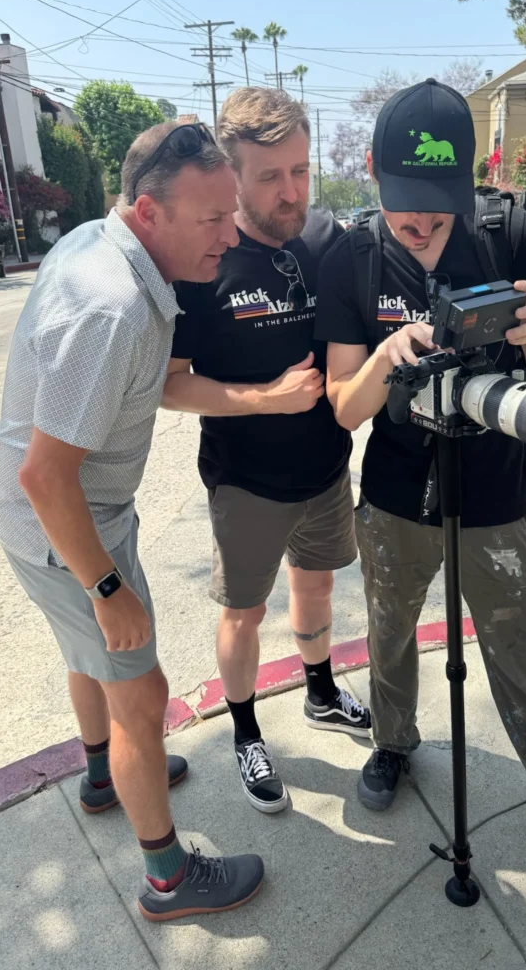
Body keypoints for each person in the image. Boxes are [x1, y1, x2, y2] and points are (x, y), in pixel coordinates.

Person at [315, 79, 526, 885]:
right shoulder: (351, 256)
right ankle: (393, 743)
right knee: (390, 633)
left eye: (439, 202)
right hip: (395, 494)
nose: (422, 222)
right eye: (404, 203)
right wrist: (392, 358)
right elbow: (340, 407)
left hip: (498, 489)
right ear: (373, 171)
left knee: (525, 648)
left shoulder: (514, 235)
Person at [0, 120, 265, 921]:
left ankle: (104, 774)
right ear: (148, 212)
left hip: (58, 519)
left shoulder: (102, 244)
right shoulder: (111, 308)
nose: (231, 235)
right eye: (212, 220)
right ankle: (170, 879)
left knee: (91, 661)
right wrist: (108, 586)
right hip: (69, 529)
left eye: (232, 214)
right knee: (142, 695)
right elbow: (46, 477)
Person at [163, 87, 370, 814]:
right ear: (234, 176)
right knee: (244, 613)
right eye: (270, 177)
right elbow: (171, 386)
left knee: (316, 588)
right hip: (245, 480)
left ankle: (319, 692)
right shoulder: (206, 257)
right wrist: (262, 399)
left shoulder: (329, 241)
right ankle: (246, 731)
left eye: (301, 172)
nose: (292, 193)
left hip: (325, 468)